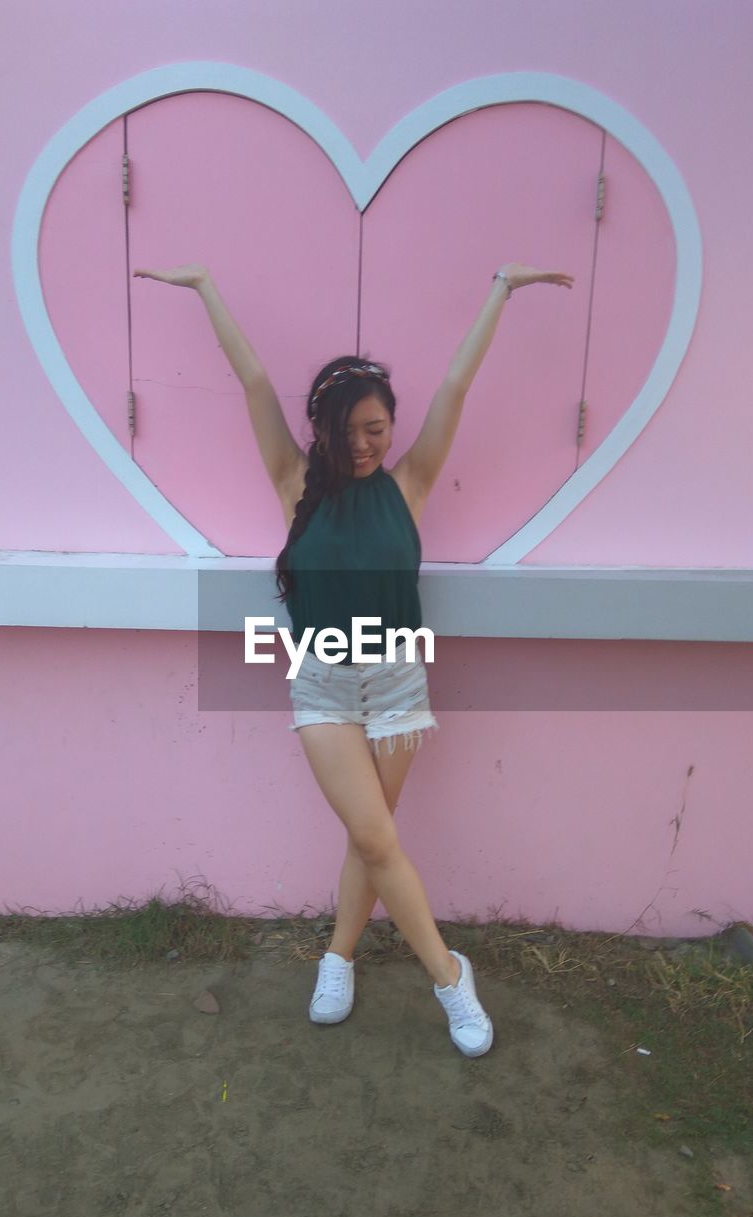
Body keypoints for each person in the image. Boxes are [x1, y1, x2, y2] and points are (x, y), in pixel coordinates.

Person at [133, 260, 574, 1056]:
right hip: (325, 682)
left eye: (379, 428)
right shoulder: (293, 478)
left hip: (399, 678)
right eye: (352, 431)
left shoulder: (409, 484)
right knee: (375, 838)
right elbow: (254, 378)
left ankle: (337, 957)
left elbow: (454, 391)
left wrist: (500, 290)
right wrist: (206, 290)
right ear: (323, 430)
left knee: (371, 840)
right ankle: (450, 978)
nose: (368, 443)